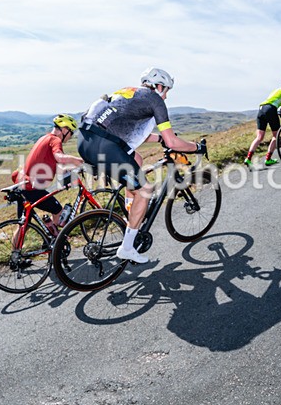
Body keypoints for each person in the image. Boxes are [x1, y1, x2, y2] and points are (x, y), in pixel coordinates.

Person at [79, 67, 204, 264]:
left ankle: (131, 210)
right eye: (167, 91)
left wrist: (160, 139)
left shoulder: (128, 93)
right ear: (159, 86)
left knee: (136, 159)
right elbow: (172, 142)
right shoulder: (154, 100)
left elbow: (134, 132)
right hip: (105, 145)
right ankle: (127, 248)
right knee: (145, 190)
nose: (166, 97)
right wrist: (196, 147)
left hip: (86, 141)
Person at [11, 114, 83, 229]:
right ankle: (55, 243)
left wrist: (72, 170)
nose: (71, 136)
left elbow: (59, 165)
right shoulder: (55, 140)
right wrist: (80, 161)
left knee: (23, 226)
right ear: (64, 130)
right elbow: (59, 157)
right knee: (58, 210)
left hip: (21, 184)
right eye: (71, 132)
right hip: (32, 188)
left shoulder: (44, 138)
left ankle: (17, 247)